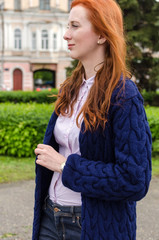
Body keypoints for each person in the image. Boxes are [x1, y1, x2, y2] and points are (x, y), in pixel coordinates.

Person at [32, 0, 152, 239]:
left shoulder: (124, 95)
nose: (66, 35)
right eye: (68, 26)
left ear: (101, 35)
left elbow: (134, 180)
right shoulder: (71, 89)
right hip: (50, 217)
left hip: (92, 224)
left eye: (75, 26)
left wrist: (66, 166)